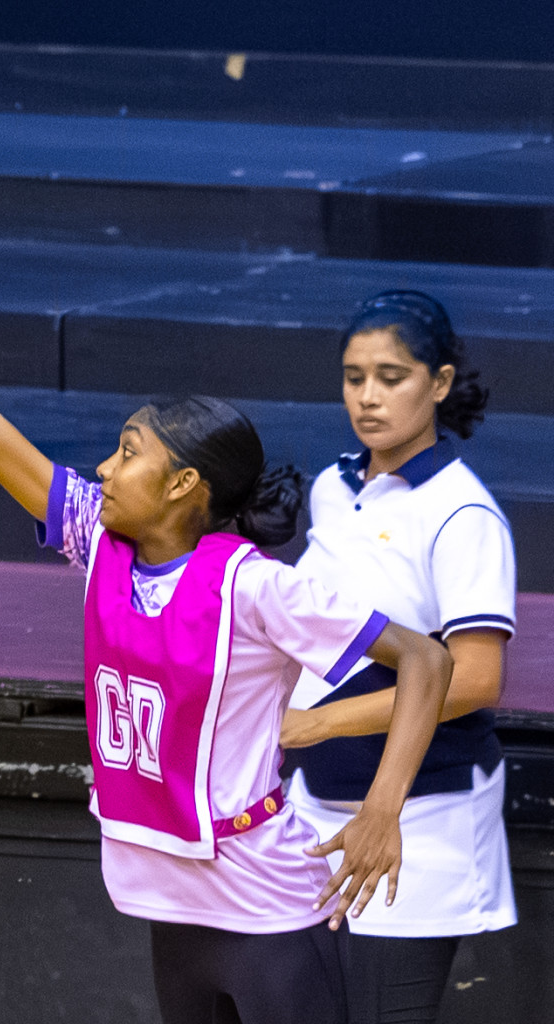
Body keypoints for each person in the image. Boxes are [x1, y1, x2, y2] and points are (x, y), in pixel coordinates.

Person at [0, 193, 453, 1024]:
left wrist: (380, 809)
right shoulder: (96, 544)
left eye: (129, 453)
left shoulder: (258, 586)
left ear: (185, 485)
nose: (105, 470)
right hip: (172, 913)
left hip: (271, 915)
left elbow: (428, 661)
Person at [282, 290, 516, 1023]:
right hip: (312, 812)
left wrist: (320, 725)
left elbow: (475, 678)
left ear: (439, 383)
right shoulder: (331, 489)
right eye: (355, 378)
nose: (369, 397)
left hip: (421, 819)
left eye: (392, 376)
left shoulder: (463, 513)